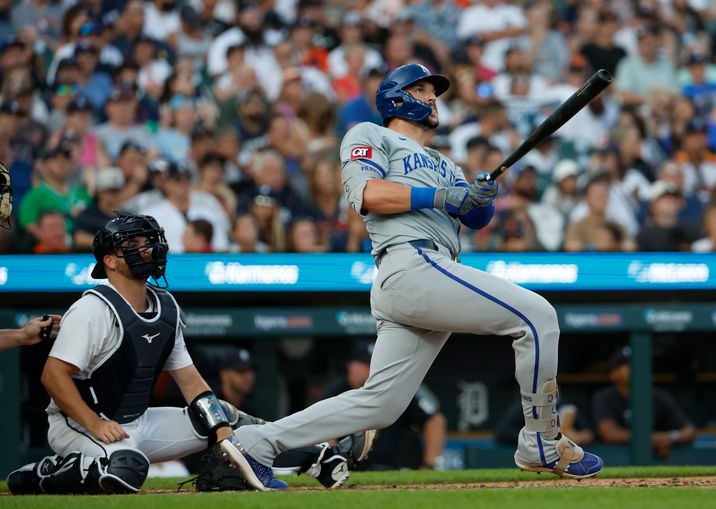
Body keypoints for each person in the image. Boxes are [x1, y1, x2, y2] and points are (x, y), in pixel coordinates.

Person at [219, 64, 603, 491]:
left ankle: (256, 442)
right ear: (397, 97)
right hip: (410, 264)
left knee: (380, 405)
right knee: (537, 317)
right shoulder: (370, 134)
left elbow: (474, 217)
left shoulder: (445, 162)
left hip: (427, 272)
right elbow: (367, 195)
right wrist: (445, 195)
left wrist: (480, 198)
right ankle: (541, 441)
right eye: (421, 90)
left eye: (434, 92)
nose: (433, 97)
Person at [6, 214, 284, 495]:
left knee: (222, 416)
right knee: (126, 470)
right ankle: (43, 475)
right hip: (80, 424)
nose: (146, 249)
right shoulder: (92, 308)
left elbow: (191, 382)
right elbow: (52, 376)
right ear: (110, 261)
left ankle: (312, 456)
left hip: (139, 421)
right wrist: (94, 423)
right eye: (132, 244)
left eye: (148, 242)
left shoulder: (166, 305)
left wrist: (224, 435)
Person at [193, 345, 372, 488]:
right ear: (224, 374)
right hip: (184, 465)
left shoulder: (249, 405)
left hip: (224, 461)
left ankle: (325, 458)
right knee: (228, 417)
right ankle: (327, 457)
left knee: (252, 435)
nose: (248, 376)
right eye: (241, 371)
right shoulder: (207, 402)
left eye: (249, 370)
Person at [320, 341, 446, 470]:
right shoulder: (336, 391)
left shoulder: (397, 387)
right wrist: (334, 466)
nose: (372, 369)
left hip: (396, 469)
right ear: (351, 366)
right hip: (350, 469)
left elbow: (434, 421)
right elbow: (323, 426)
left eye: (376, 364)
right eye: (366, 364)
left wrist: (429, 465)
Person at [592, 347, 696, 460]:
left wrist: (670, 437)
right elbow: (609, 433)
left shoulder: (658, 396)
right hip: (613, 459)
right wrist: (649, 439)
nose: (634, 368)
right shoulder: (604, 397)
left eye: (637, 363)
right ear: (613, 373)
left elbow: (690, 431)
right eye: (626, 365)